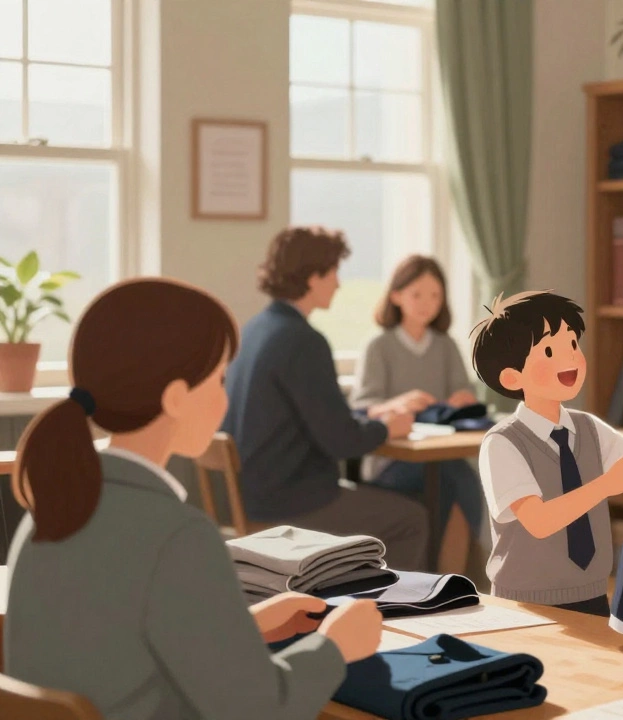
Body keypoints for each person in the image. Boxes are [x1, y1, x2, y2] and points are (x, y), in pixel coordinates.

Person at [4, 278, 383, 720]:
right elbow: (259, 709)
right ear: (176, 397)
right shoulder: (177, 535)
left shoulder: (50, 512)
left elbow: (110, 643)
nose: (226, 397)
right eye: (219, 379)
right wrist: (334, 646)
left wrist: (244, 627)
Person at [222, 226, 430, 571]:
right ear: (312, 276)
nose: (338, 283)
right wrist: (385, 428)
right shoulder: (303, 340)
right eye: (333, 272)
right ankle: (396, 614)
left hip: (250, 497)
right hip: (291, 504)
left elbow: (312, 416)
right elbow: (340, 441)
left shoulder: (255, 329)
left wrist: (371, 413)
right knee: (411, 518)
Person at [470, 291, 623, 616]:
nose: (570, 360)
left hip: (593, 596)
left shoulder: (590, 429)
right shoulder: (502, 444)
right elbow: (539, 521)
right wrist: (607, 484)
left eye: (573, 345)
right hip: (524, 603)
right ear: (512, 376)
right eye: (549, 351)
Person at [351, 254, 486, 575]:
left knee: (450, 479)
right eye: (417, 294)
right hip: (389, 462)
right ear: (396, 296)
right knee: (455, 478)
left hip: (439, 456)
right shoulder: (378, 346)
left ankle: (448, 575)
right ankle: (473, 570)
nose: (427, 303)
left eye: (435, 295)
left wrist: (463, 400)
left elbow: (465, 395)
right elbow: (362, 406)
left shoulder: (445, 346)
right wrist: (400, 403)